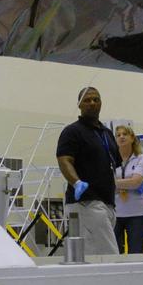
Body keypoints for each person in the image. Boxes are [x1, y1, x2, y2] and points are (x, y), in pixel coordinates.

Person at [56, 87, 122, 255]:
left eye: (96, 99)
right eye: (87, 100)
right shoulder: (72, 131)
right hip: (86, 202)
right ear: (79, 105)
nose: (92, 103)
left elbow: (114, 163)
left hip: (107, 204)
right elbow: (64, 160)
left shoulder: (107, 133)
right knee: (109, 255)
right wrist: (76, 182)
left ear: (101, 103)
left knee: (91, 255)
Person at [113, 125, 143, 254]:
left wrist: (114, 184)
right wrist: (126, 183)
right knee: (114, 253)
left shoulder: (141, 158)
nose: (121, 137)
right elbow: (104, 184)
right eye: (118, 135)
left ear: (132, 138)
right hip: (115, 214)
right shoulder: (111, 160)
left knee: (135, 253)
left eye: (125, 134)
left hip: (137, 214)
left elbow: (135, 182)